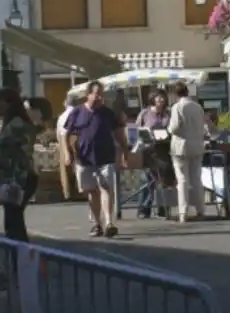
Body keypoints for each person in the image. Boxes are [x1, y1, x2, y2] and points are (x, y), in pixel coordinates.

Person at [63, 81, 127, 238]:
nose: (99, 97)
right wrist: (67, 153)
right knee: (91, 192)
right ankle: (97, 223)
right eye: (96, 93)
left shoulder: (107, 113)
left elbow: (119, 134)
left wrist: (125, 152)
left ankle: (109, 223)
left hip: (106, 157)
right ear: (88, 94)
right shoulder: (77, 112)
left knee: (105, 188)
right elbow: (66, 134)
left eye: (101, 94)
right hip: (84, 158)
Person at [0, 88, 39, 242]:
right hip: (16, 176)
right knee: (14, 218)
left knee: (14, 219)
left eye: (0, 102)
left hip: (17, 177)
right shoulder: (15, 122)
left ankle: (20, 255)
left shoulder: (17, 123)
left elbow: (19, 149)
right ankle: (19, 254)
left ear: (9, 103)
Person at [166, 81, 207, 223]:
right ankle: (201, 209)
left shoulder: (177, 107)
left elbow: (175, 127)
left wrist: (168, 129)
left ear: (175, 94)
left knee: (182, 180)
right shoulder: (197, 107)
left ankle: (183, 212)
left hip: (181, 146)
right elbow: (203, 125)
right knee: (196, 179)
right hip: (197, 145)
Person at [135, 90, 171, 218]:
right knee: (147, 179)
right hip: (148, 150)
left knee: (163, 180)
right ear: (152, 99)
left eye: (163, 98)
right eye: (158, 97)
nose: (161, 100)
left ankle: (163, 208)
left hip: (163, 150)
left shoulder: (168, 114)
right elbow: (137, 130)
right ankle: (144, 209)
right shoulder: (145, 113)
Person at [56, 97, 79, 201]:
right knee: (79, 165)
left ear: (66, 103)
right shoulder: (78, 113)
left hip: (62, 137)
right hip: (76, 138)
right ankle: (80, 190)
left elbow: (58, 132)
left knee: (64, 168)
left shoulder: (61, 116)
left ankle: (67, 192)